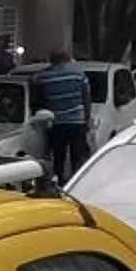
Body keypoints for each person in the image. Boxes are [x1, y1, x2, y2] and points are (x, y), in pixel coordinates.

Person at [36, 44, 93, 181]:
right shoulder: (78, 74)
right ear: (67, 58)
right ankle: (76, 181)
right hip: (76, 122)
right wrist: (87, 118)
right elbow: (86, 97)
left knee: (58, 156)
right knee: (77, 156)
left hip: (56, 122)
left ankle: (60, 181)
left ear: (51, 60)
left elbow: (40, 98)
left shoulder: (44, 77)